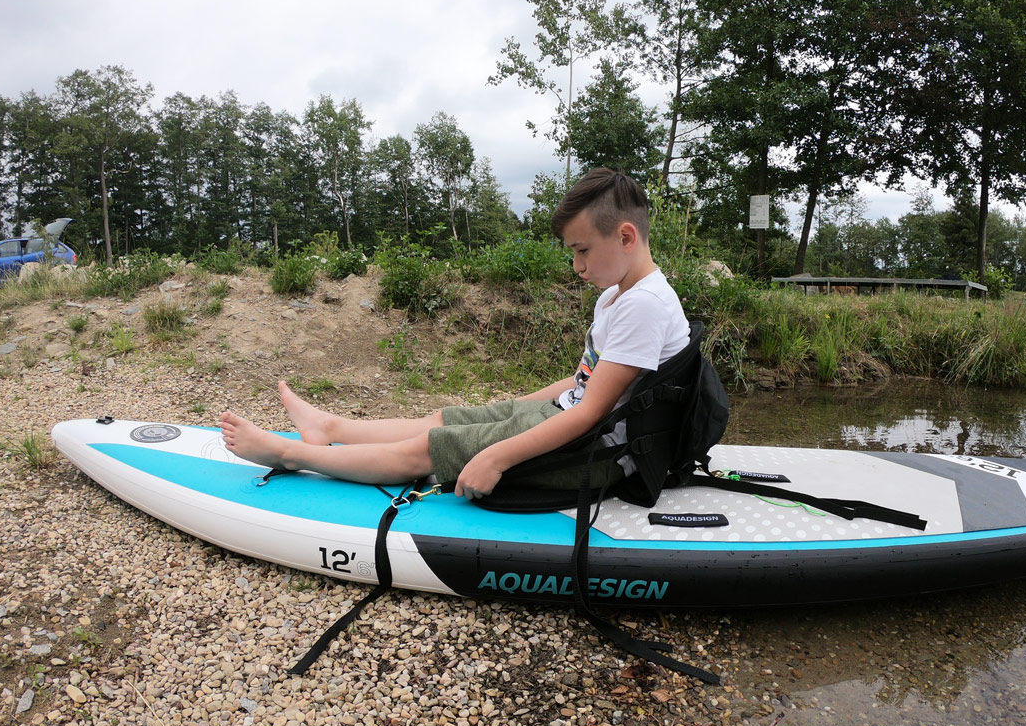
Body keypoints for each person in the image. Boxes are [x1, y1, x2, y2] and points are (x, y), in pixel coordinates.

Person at [220, 167, 690, 501]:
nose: (577, 266)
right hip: (573, 419)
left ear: (626, 237)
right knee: (443, 420)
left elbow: (590, 413)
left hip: (599, 449)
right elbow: (580, 382)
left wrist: (497, 457)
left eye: (582, 250)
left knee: (425, 450)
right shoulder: (617, 295)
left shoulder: (644, 306)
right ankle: (329, 428)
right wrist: (512, 408)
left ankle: (287, 454)